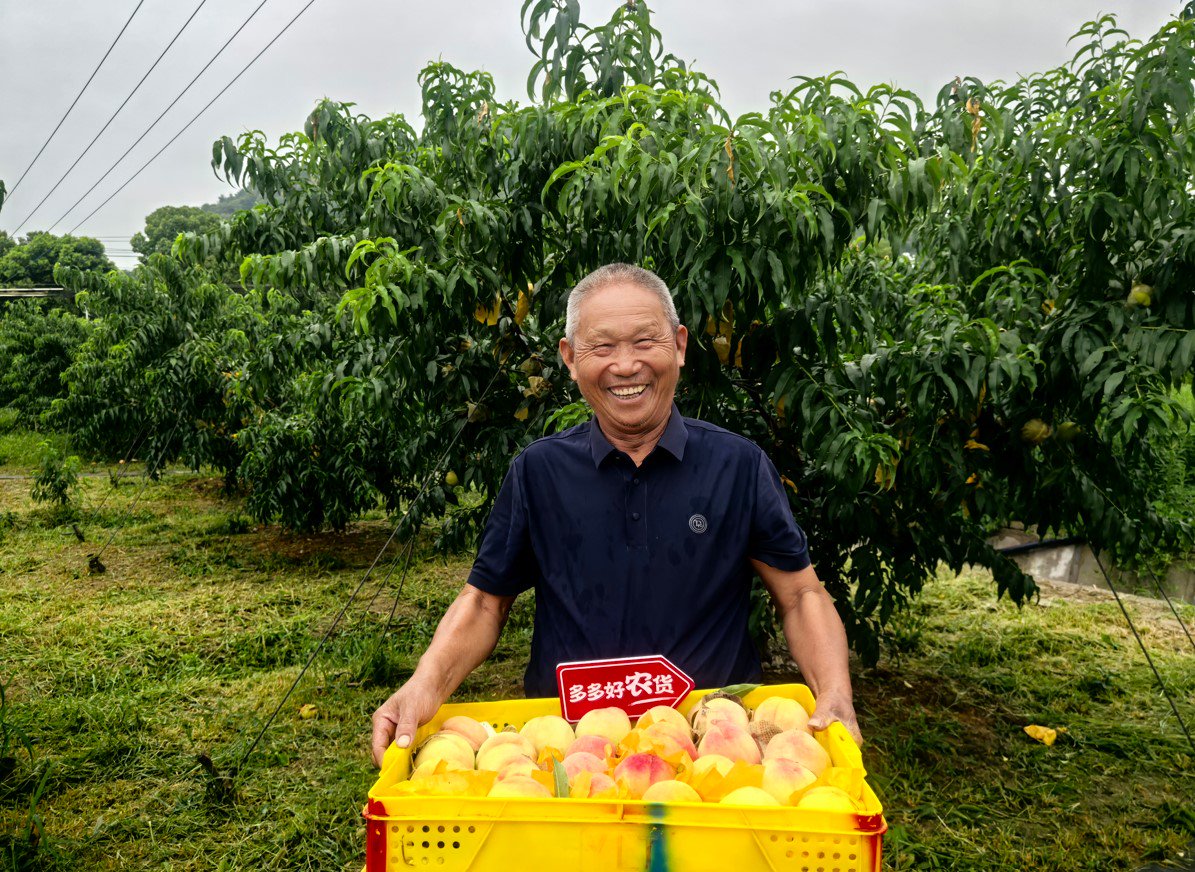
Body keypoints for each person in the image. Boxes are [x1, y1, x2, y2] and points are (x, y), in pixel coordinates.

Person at [370, 263, 861, 766]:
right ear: (569, 358)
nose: (625, 366)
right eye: (602, 347)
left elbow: (801, 594)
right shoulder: (539, 472)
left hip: (713, 751)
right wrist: (423, 685)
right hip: (565, 752)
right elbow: (483, 602)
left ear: (680, 345)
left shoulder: (737, 466)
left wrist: (834, 693)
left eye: (645, 341)